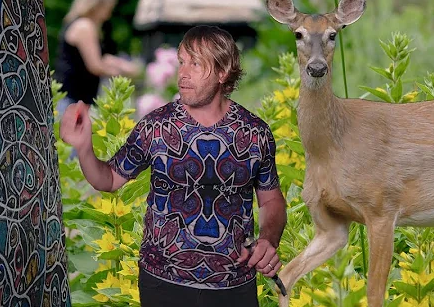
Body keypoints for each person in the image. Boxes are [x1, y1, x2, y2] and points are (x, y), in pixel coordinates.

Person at [59, 25, 287, 307]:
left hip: (234, 287)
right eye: (181, 61)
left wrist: (268, 239)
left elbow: (272, 200)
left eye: (196, 63)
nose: (183, 72)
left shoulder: (254, 133)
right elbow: (108, 180)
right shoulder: (155, 126)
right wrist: (83, 147)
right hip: (162, 284)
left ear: (222, 71)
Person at [53, 0, 141, 117]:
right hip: (71, 99)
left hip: (74, 99)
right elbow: (95, 66)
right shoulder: (85, 26)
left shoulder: (78, 23)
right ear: (98, 6)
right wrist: (124, 76)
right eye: (108, 9)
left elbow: (101, 57)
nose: (108, 15)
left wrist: (119, 63)